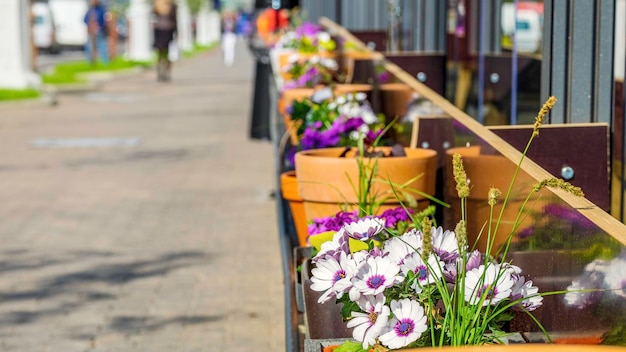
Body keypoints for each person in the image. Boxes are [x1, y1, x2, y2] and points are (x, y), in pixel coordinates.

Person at [152, 0, 177, 82]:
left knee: (164, 54)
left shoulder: (171, 5)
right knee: (163, 54)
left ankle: (164, 73)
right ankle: (162, 73)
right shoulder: (157, 5)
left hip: (165, 32)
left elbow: (175, 20)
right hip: (163, 32)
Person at [83, 0, 109, 65]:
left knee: (102, 46)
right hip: (91, 32)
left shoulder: (101, 10)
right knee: (89, 47)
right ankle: (90, 61)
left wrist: (101, 26)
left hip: (99, 31)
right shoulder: (90, 10)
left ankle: (105, 61)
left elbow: (105, 20)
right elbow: (85, 20)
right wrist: (90, 25)